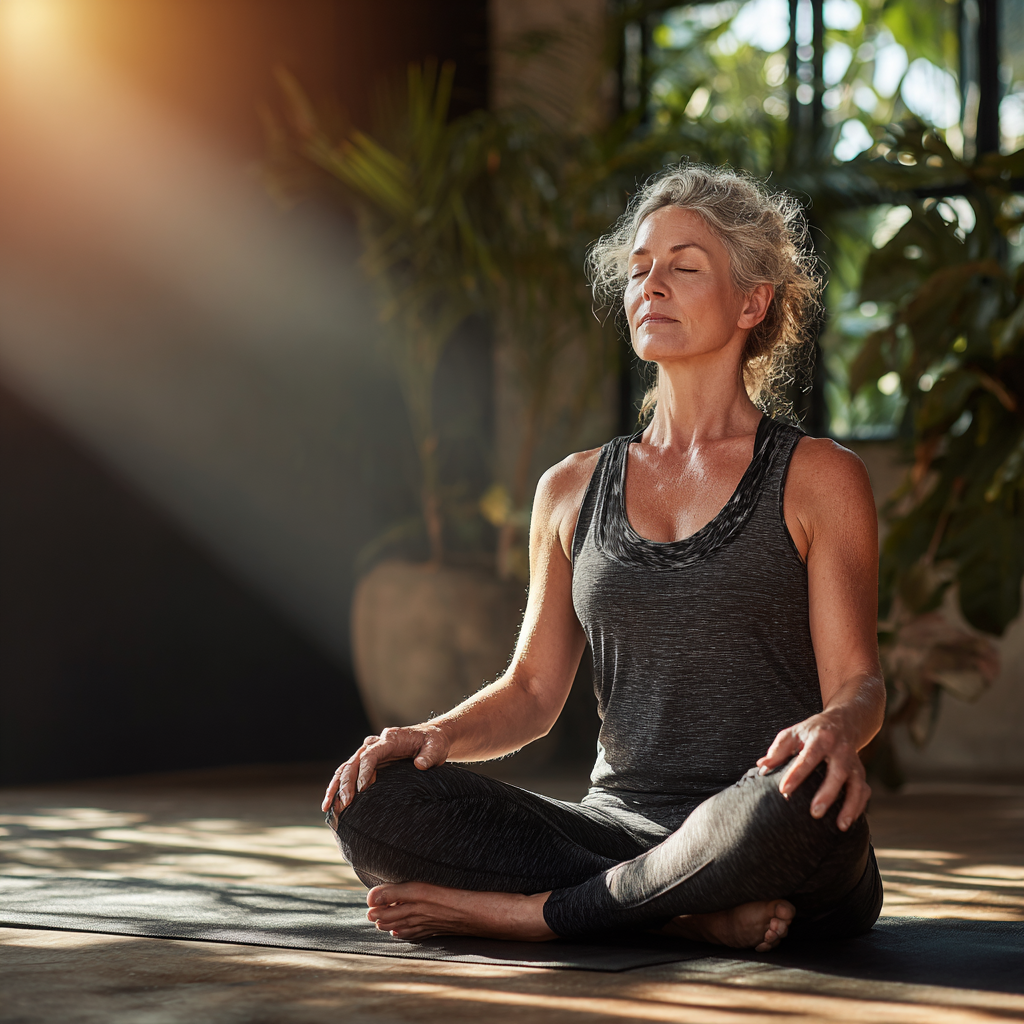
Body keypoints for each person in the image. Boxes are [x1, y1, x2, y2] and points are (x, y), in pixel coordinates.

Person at [322, 164, 885, 952]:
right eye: (640, 268)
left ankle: (530, 916)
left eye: (685, 268)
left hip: (764, 819)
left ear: (752, 302)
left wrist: (834, 729)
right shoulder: (569, 489)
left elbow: (859, 683)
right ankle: (685, 916)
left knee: (802, 807)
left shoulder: (820, 478)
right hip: (614, 830)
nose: (652, 284)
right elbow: (531, 691)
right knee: (374, 802)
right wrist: (435, 734)